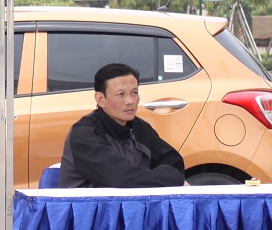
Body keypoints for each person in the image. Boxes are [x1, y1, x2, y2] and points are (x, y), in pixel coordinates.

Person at [58, 62, 187, 189]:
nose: (130, 101)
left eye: (134, 93)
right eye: (121, 94)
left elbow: (174, 162)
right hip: (89, 203)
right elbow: (119, 178)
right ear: (100, 99)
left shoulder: (140, 128)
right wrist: (171, 178)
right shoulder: (84, 134)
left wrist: (171, 176)